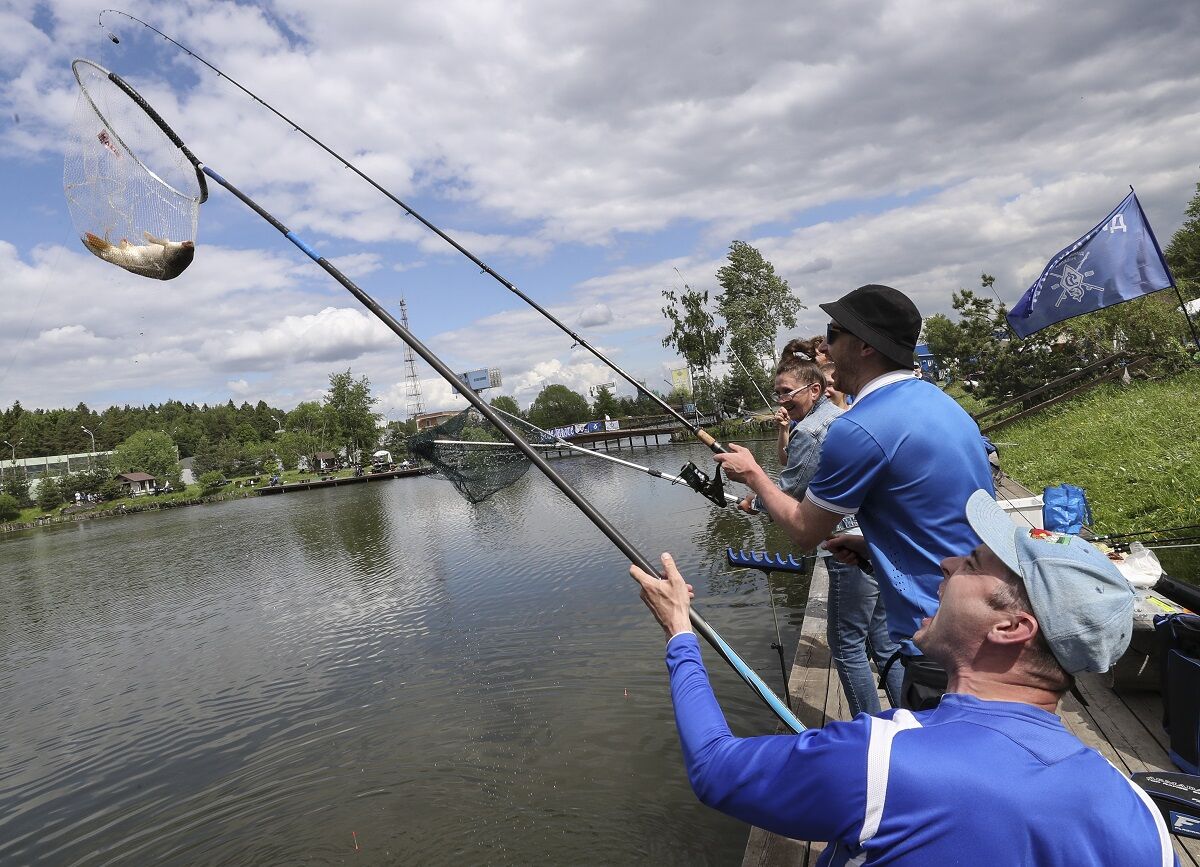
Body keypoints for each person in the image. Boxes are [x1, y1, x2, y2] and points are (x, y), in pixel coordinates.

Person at [629, 491, 1175, 866]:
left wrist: (680, 632)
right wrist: (874, 553)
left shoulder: (885, 762)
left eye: (971, 564)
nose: (946, 564)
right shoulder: (1138, 813)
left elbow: (714, 768)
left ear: (1012, 626)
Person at [715, 284, 994, 709]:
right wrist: (871, 543)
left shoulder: (860, 427)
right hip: (984, 615)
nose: (824, 347)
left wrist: (753, 475)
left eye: (833, 333)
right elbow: (942, 513)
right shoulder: (940, 403)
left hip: (939, 638)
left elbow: (805, 531)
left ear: (864, 346)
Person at [743, 344, 902, 715]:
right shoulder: (842, 418)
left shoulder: (811, 431)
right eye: (777, 392)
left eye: (787, 391)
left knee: (846, 645)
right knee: (883, 640)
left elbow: (790, 491)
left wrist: (754, 496)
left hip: (847, 542)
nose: (781, 399)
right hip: (876, 539)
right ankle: (908, 717)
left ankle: (871, 728)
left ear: (814, 390)